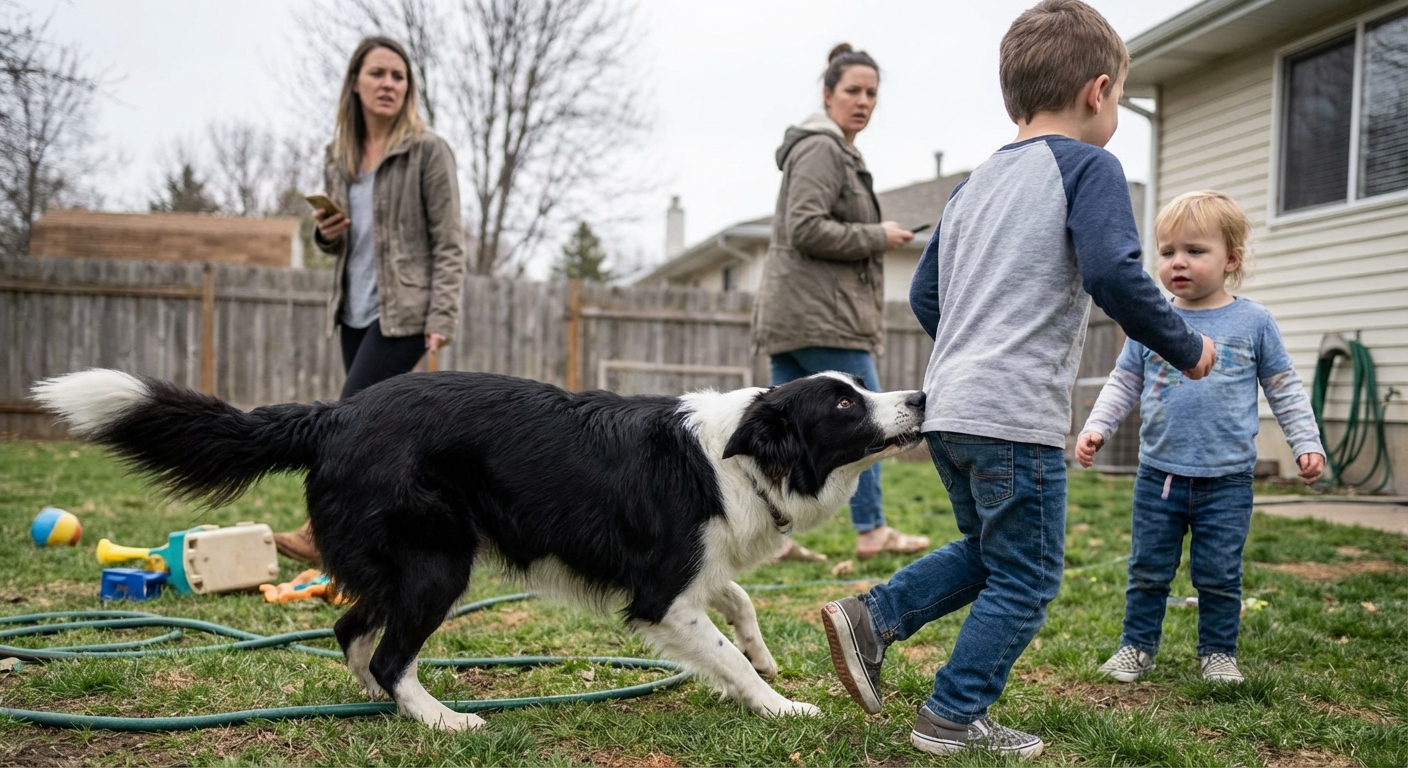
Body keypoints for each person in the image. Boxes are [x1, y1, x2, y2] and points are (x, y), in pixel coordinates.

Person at [819, 0, 1217, 757]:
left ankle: (873, 617)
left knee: (990, 553)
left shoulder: (972, 186)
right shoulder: (1090, 166)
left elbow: (924, 295)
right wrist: (1184, 345)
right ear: (1100, 92)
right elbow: (1112, 270)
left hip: (950, 405)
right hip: (1011, 415)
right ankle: (952, 715)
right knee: (1030, 575)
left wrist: (973, 353)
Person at [1079, 191, 1325, 685]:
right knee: (1148, 570)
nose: (1178, 263)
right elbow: (1124, 380)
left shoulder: (1253, 322)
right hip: (1159, 476)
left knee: (1218, 574)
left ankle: (1217, 653)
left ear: (1231, 259)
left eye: (1195, 250)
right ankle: (1137, 647)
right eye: (1168, 252)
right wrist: (1096, 426)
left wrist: (1306, 442)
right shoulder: (1153, 319)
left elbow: (1284, 388)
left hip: (1227, 481)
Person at [275, 36, 467, 565]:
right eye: (378, 73)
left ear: (408, 89)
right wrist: (327, 233)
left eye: (398, 76)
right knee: (380, 441)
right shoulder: (338, 156)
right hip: (353, 309)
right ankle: (372, 555)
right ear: (355, 83)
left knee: (346, 424)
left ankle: (321, 532)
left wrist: (441, 313)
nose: (388, 84)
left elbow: (449, 240)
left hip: (403, 311)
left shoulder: (428, 150)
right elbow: (337, 243)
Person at [752, 43, 930, 563]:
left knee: (778, 429)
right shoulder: (822, 148)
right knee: (874, 419)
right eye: (852, 90)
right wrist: (876, 235)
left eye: (872, 93)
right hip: (820, 316)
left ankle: (772, 534)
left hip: (796, 313)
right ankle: (871, 529)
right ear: (828, 94)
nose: (863, 101)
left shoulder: (835, 150)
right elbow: (805, 226)